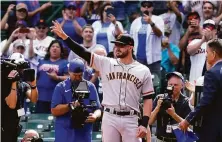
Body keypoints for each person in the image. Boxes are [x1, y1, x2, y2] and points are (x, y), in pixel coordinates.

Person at [51, 20, 153, 142]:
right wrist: (65, 37)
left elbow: (148, 99)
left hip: (131, 117)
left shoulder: (143, 70)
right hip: (110, 116)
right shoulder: (106, 63)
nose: (117, 48)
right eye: (116, 45)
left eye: (121, 45)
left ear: (130, 47)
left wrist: (144, 123)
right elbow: (83, 52)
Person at [179, 38, 222, 142]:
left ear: (214, 54)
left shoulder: (212, 73)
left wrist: (188, 119)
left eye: (207, 52)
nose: (206, 56)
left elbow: (206, 101)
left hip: (212, 129)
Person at [51, 58, 101, 142]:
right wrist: (70, 106)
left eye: (80, 75)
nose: (78, 78)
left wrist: (95, 116)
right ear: (69, 72)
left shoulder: (90, 86)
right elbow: (54, 111)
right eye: (75, 75)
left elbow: (98, 109)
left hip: (83, 133)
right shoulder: (61, 87)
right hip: (65, 133)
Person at [1, 53, 38, 142]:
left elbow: (34, 99)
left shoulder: (22, 85)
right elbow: (12, 105)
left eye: (21, 68)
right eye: (18, 68)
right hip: (3, 127)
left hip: (14, 126)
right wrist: (13, 82)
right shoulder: (3, 83)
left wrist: (33, 83)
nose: (20, 70)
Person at [149, 72, 191, 142]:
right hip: (160, 139)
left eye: (176, 85)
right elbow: (150, 122)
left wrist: (174, 115)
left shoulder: (186, 102)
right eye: (170, 85)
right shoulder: (160, 98)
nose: (172, 87)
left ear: (182, 85)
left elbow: (189, 126)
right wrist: (157, 107)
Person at [130, 1, 164, 74]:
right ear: (141, 8)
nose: (146, 8)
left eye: (148, 6)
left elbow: (160, 34)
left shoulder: (158, 19)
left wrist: (151, 23)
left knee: (155, 83)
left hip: (153, 59)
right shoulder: (135, 22)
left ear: (152, 8)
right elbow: (131, 39)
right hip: (138, 59)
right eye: (144, 6)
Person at [36, 40, 68, 113]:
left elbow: (69, 78)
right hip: (41, 97)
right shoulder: (41, 61)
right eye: (53, 46)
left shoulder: (65, 63)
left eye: (57, 47)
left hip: (56, 97)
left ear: (61, 51)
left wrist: (57, 78)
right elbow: (37, 78)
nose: (55, 48)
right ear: (49, 49)